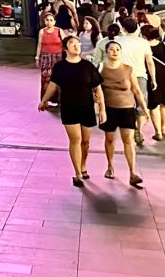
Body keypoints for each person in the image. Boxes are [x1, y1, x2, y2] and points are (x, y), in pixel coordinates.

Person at [40, 35, 105, 186]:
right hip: (69, 107)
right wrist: (44, 100)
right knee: (75, 139)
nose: (76, 46)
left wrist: (102, 109)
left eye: (78, 44)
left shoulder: (88, 66)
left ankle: (83, 166)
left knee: (86, 141)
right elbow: (53, 85)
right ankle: (77, 173)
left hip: (87, 107)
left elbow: (98, 88)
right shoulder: (60, 67)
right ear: (65, 48)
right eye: (72, 43)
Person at [98, 39, 145, 187]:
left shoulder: (128, 69)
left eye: (117, 50)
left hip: (127, 108)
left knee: (128, 140)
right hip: (109, 109)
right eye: (111, 49)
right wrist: (100, 107)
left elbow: (136, 90)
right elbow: (97, 90)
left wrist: (144, 108)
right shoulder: (101, 68)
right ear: (106, 52)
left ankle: (132, 172)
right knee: (110, 139)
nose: (115, 52)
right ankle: (110, 166)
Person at [114, 17, 156, 147]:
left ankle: (130, 130)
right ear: (137, 27)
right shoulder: (143, 43)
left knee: (126, 104)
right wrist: (153, 79)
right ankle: (139, 129)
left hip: (122, 75)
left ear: (123, 28)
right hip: (140, 75)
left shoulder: (117, 41)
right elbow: (149, 62)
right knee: (141, 104)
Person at [143, 24, 165, 141]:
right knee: (164, 105)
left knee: (154, 104)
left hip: (152, 76)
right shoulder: (163, 45)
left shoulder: (143, 47)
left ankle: (157, 131)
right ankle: (164, 128)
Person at [34, 11, 63, 106]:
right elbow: (39, 45)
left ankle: (59, 100)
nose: (49, 22)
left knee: (58, 79)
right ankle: (45, 100)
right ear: (44, 21)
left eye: (51, 20)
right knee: (46, 79)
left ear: (54, 22)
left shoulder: (59, 31)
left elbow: (65, 43)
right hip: (46, 58)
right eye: (47, 20)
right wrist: (37, 57)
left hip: (58, 57)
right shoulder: (42, 31)